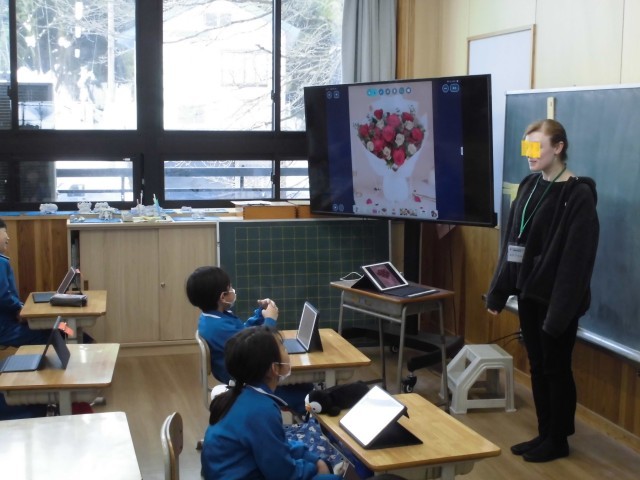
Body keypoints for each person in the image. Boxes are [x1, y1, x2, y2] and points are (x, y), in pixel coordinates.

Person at [486, 119, 599, 463]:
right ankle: (544, 432)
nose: (529, 155)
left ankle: (558, 439)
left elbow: (577, 262)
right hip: (529, 295)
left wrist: (559, 314)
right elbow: (513, 242)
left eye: (536, 147)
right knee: (537, 365)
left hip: (556, 301)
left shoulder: (578, 194)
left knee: (556, 368)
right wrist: (499, 292)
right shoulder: (530, 184)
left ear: (559, 147)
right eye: (526, 147)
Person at [201, 325, 341, 480]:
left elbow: (276, 445)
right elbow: (283, 474)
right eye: (283, 348)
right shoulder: (261, 410)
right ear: (274, 368)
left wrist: (312, 459)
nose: (287, 351)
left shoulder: (239, 395)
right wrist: (314, 468)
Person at [186, 265, 313, 415]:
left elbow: (244, 333)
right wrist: (270, 320)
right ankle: (311, 421)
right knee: (306, 394)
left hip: (245, 375)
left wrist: (260, 313)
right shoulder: (219, 327)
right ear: (222, 297)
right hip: (251, 382)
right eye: (230, 288)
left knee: (306, 386)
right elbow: (258, 348)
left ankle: (306, 417)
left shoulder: (212, 318)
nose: (233, 290)